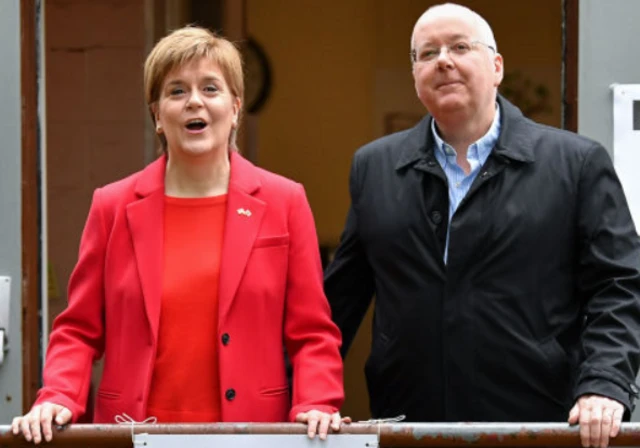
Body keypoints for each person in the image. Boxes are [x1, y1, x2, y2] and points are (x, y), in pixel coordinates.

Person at [324, 3, 640, 448]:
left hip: (539, 426)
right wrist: (306, 395)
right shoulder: (375, 168)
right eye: (427, 53)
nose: (443, 60)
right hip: (410, 425)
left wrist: (604, 382)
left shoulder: (575, 164)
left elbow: (621, 284)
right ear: (415, 76)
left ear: (496, 67)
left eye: (459, 46)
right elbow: (337, 304)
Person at [13, 26, 345, 443]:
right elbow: (79, 329)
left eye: (211, 88)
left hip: (252, 432)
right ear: (156, 114)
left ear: (236, 108)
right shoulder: (112, 205)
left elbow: (312, 331)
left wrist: (317, 401)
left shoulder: (285, 201)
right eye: (176, 91)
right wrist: (58, 394)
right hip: (134, 432)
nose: (194, 101)